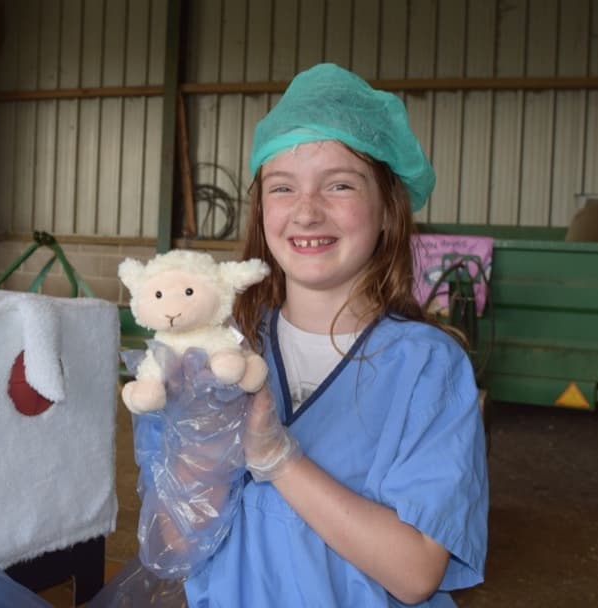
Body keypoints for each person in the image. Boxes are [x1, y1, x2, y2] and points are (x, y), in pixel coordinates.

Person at [180, 63, 489, 607]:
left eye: (340, 184)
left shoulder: (427, 368)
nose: (306, 211)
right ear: (261, 212)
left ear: (388, 210)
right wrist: (192, 451)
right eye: (282, 187)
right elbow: (174, 540)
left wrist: (280, 458)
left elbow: (417, 572)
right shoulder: (225, 347)